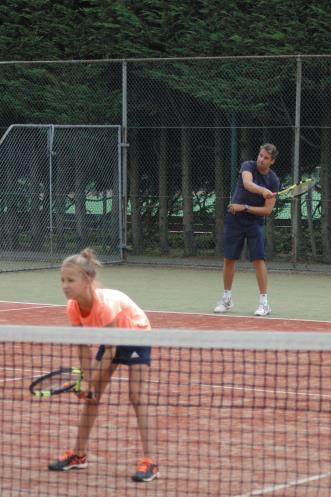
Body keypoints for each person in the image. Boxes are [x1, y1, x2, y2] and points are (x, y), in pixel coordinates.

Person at [48, 247, 160, 483]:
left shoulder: (104, 304)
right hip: (112, 338)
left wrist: (89, 382)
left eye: (70, 280)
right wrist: (86, 382)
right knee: (92, 397)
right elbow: (82, 346)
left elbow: (110, 350)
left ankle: (151, 461)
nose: (65, 285)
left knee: (136, 396)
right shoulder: (72, 307)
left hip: (135, 334)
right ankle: (78, 455)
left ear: (87, 280)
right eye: (62, 280)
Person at [214, 143, 280, 316]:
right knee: (229, 258)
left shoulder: (274, 181)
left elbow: (267, 211)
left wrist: (244, 207)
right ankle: (226, 299)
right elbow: (248, 184)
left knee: (258, 260)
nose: (261, 160)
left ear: (272, 161)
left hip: (255, 222)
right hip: (235, 220)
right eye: (260, 155)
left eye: (266, 158)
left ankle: (264, 303)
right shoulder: (248, 166)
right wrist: (263, 191)